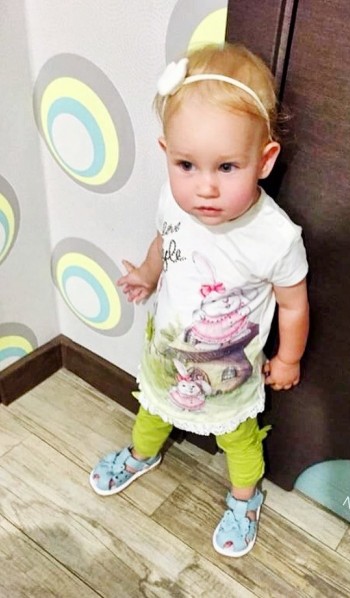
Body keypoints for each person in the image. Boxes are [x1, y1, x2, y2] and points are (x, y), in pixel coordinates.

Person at [89, 43, 309, 558]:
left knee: (239, 439)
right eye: (187, 164)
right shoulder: (175, 199)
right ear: (167, 152)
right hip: (168, 359)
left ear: (264, 160)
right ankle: (142, 454)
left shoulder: (275, 237)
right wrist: (148, 274)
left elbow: (294, 304)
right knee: (151, 410)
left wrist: (289, 358)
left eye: (227, 167)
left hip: (228, 375)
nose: (205, 188)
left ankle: (245, 498)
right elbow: (164, 240)